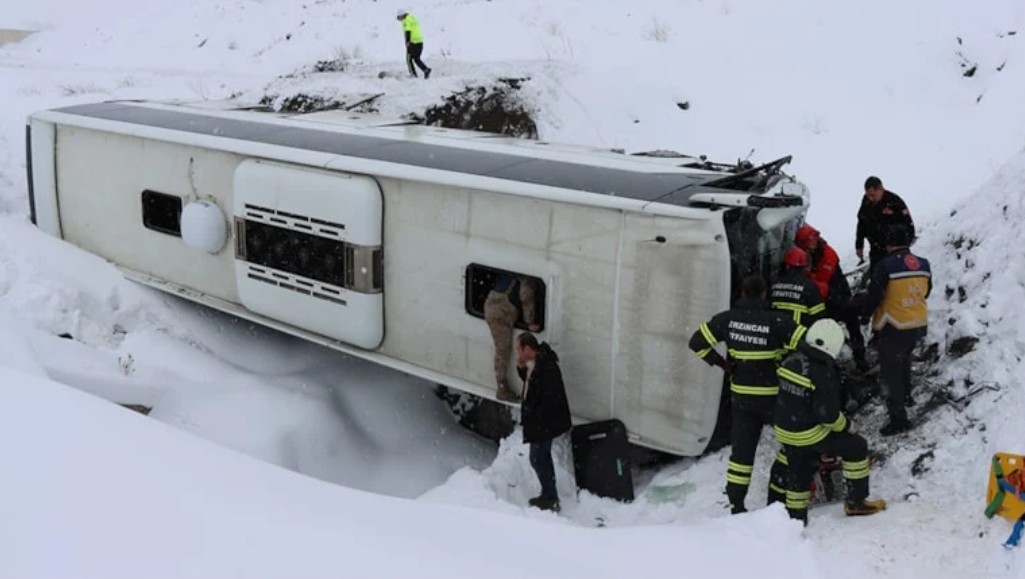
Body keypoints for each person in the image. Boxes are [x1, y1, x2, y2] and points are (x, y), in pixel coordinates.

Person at [689, 275, 807, 514]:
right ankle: (780, 491)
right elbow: (808, 345)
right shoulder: (777, 321)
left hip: (742, 399)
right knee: (793, 444)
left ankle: (736, 505)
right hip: (775, 397)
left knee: (741, 456)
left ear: (742, 293)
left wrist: (721, 364)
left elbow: (696, 342)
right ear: (764, 293)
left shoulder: (727, 319)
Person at [774, 318, 887, 524]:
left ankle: (794, 521)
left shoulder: (792, 359)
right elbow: (827, 416)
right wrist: (847, 426)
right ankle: (856, 502)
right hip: (809, 433)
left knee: (799, 470)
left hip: (785, 430)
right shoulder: (823, 372)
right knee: (857, 446)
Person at [851, 224, 931, 436]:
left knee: (889, 374)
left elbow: (875, 295)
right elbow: (927, 291)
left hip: (893, 325)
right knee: (904, 360)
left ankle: (899, 419)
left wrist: (864, 314)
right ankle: (906, 396)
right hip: (916, 324)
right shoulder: (923, 264)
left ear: (889, 244)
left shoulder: (885, 266)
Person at [794, 224, 869, 372]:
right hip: (825, 296)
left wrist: (808, 275)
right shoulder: (804, 252)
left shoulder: (827, 256)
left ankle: (860, 361)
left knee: (850, 323)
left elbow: (820, 287)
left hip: (836, 297)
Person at [516, 332, 572, 513]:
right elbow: (531, 383)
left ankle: (550, 497)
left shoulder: (545, 366)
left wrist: (532, 414)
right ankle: (549, 494)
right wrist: (522, 370)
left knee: (538, 459)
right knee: (542, 458)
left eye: (519, 349)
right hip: (543, 422)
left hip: (544, 422)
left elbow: (543, 394)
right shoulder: (537, 363)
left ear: (527, 348)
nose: (517, 353)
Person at [484, 274, 539, 402]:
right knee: (503, 350)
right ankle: (502, 388)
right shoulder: (527, 279)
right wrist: (529, 321)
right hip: (502, 311)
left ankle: (502, 386)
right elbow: (525, 297)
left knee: (502, 349)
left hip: (494, 303)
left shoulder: (516, 275)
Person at [856, 176, 915, 275]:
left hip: (895, 249)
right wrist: (859, 244)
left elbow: (909, 226)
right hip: (876, 249)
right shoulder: (866, 202)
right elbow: (861, 222)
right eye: (868, 195)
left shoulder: (894, 201)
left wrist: (902, 247)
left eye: (873, 195)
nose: (871, 198)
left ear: (880, 189)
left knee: (896, 278)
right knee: (877, 279)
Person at [770, 247, 826, 326]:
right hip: (798, 334)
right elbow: (820, 317)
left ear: (786, 265)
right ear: (804, 267)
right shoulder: (809, 287)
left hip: (775, 333)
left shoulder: (774, 284)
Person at [396, 9, 432, 79]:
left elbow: (408, 31)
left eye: (399, 17)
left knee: (408, 59)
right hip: (419, 42)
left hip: (413, 43)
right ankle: (426, 70)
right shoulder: (412, 18)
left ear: (401, 15)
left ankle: (413, 75)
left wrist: (407, 42)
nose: (399, 20)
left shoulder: (406, 20)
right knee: (416, 58)